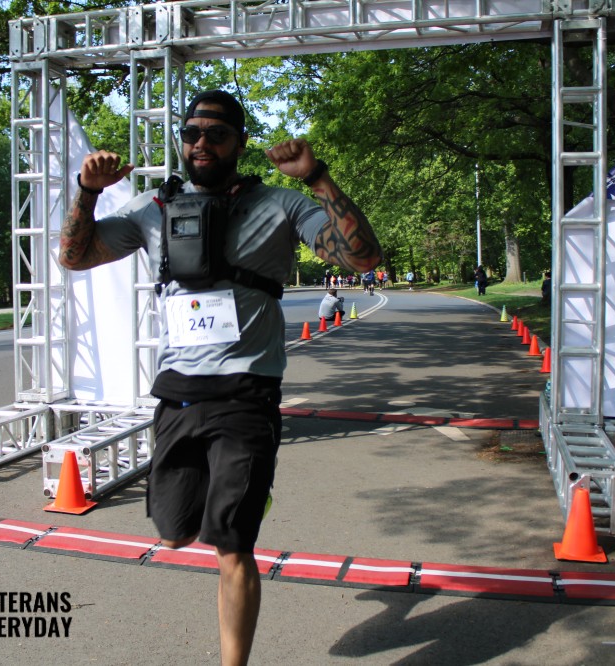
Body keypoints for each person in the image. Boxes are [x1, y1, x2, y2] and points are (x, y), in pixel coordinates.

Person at [58, 89, 381, 666]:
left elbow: (362, 259)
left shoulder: (281, 203)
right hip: (178, 394)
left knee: (232, 544)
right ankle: (238, 496)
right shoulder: (153, 208)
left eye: (216, 133)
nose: (201, 143)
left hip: (246, 393)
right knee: (174, 532)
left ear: (240, 142)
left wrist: (318, 178)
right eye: (192, 134)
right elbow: (74, 256)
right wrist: (88, 190)